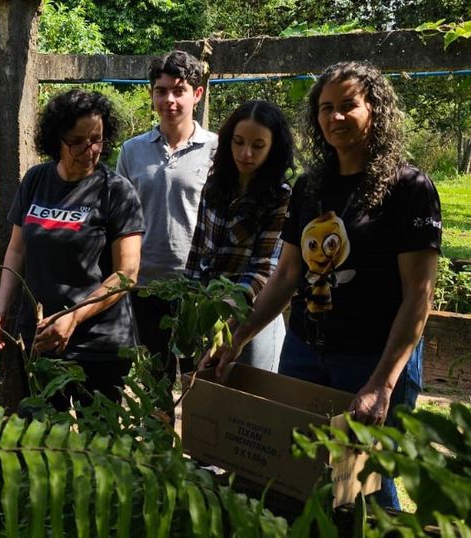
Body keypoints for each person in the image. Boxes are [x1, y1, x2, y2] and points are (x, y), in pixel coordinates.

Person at [201, 61, 440, 509]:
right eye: (325, 108)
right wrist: (235, 340)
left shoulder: (408, 188)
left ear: (375, 109)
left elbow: (418, 296)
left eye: (348, 105)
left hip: (372, 359)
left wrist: (381, 385)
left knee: (366, 485)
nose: (334, 117)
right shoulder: (311, 188)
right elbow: (288, 275)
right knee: (300, 476)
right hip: (305, 352)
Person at [0, 89, 142, 408]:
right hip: (40, 338)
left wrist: (73, 318)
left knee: (95, 449)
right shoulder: (35, 180)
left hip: (99, 346)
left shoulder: (117, 192)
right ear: (56, 138)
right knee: (44, 443)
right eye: (77, 141)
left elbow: (127, 274)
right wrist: (0, 309)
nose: (89, 150)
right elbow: (16, 251)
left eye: (96, 139)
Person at [116, 50, 218, 391]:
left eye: (179, 90)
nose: (170, 99)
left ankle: (196, 444)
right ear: (151, 94)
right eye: (161, 91)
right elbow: (120, 217)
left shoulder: (217, 150)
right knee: (152, 384)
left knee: (199, 383)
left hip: (197, 288)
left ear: (197, 94)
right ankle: (157, 445)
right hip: (144, 285)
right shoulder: (132, 151)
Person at [185, 100, 294, 372]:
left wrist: (230, 307)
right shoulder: (214, 185)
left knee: (248, 400)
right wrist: (187, 299)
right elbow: (198, 247)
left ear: (273, 148)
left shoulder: (280, 198)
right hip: (207, 309)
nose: (246, 153)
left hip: (252, 316)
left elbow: (265, 268)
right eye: (238, 142)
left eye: (258, 146)